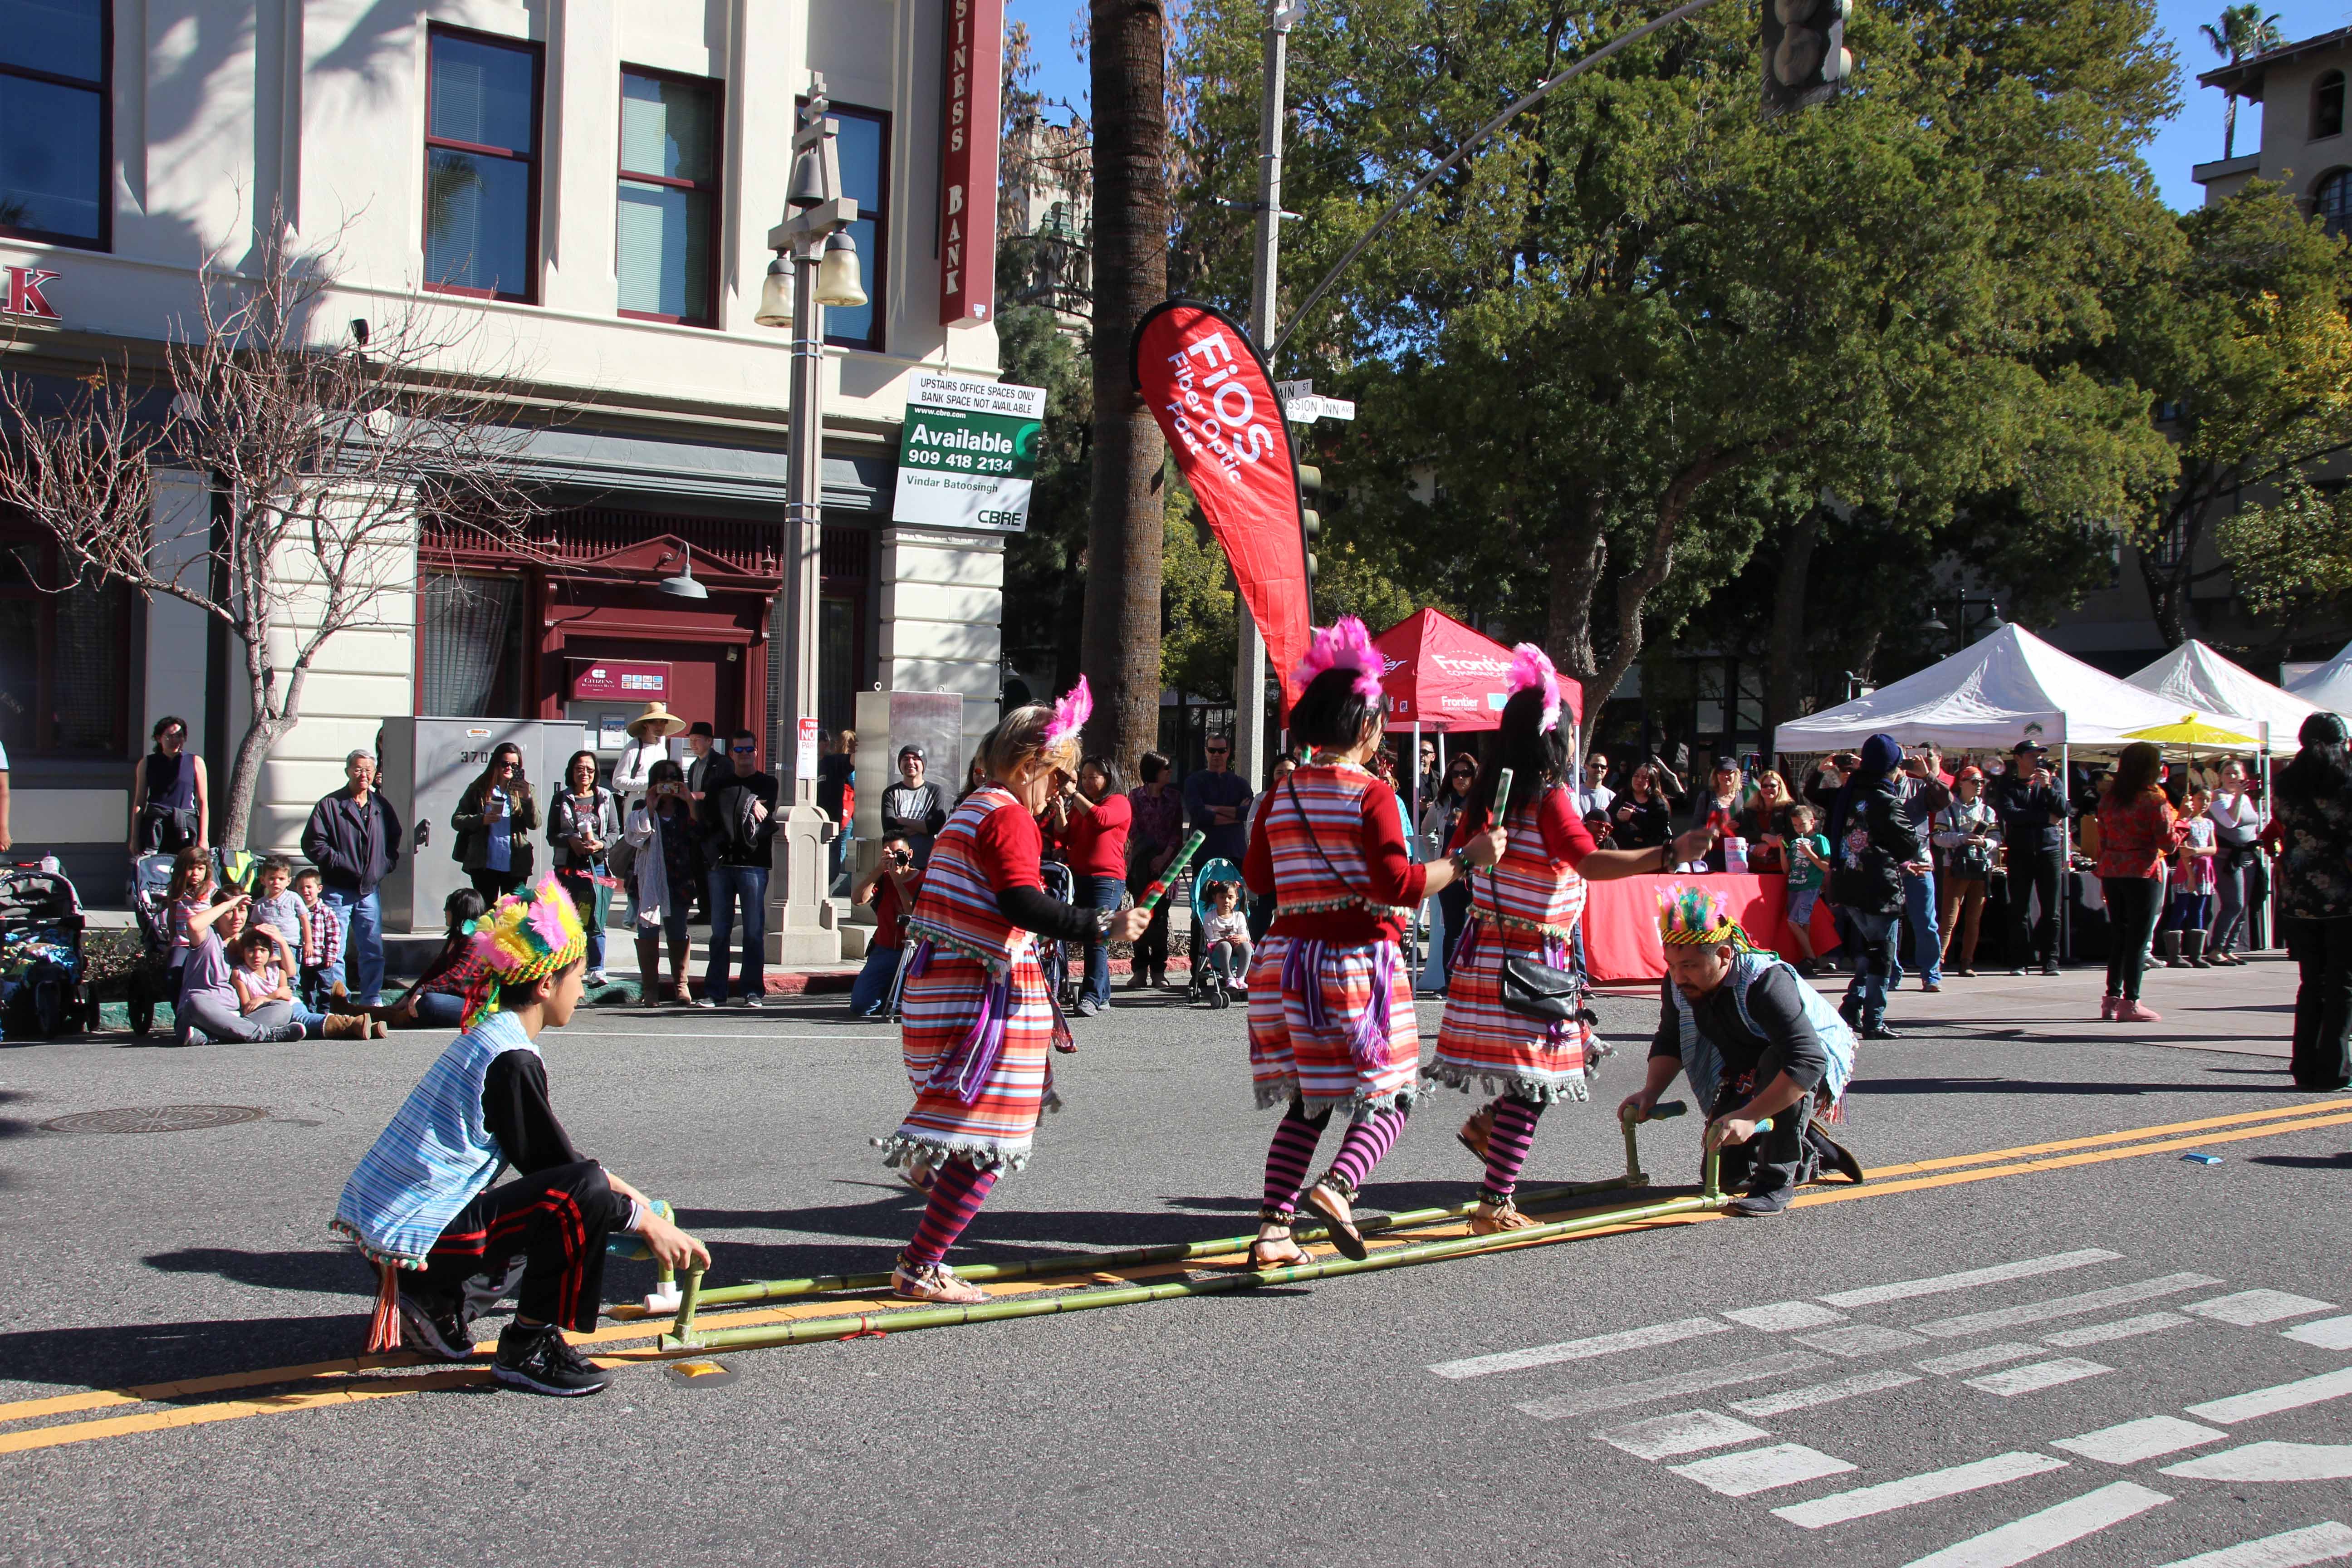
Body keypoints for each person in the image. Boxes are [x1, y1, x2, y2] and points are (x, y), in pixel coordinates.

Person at [331, 877, 711, 1393]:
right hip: (420, 1232)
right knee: (577, 1200)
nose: (584, 990)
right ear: (546, 984)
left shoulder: (493, 1037)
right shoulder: (511, 1059)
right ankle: (528, 1344)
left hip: (405, 1223)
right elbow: (568, 1178)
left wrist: (639, 1202)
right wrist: (645, 1222)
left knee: (573, 1193)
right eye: (579, 976)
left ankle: (437, 1302)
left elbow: (555, 1159)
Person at [1240, 619, 1506, 1271]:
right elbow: (1400, 885)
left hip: (1287, 964)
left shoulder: (1280, 793)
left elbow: (1258, 879)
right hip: (1356, 964)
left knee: (1309, 1100)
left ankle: (1274, 1230)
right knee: (1394, 1091)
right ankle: (1339, 1186)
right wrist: (1466, 861)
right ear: (1364, 725)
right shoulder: (1373, 793)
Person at [875, 681, 1152, 1304]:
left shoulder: (971, 809)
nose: (1062, 793)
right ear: (1031, 766)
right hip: (982, 1004)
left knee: (969, 1125)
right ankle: (921, 1265)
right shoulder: (1008, 817)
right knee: (993, 1141)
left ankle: (931, 1160)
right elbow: (1022, 904)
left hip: (940, 994)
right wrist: (1102, 925)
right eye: (1059, 778)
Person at [1433, 648, 1717, 1232]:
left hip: (1487, 954)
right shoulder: (1549, 798)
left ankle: (1488, 1128)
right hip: (1533, 963)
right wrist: (1666, 854)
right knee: (1539, 1081)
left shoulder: (1486, 795)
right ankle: (1495, 1202)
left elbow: (1459, 860)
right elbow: (1590, 863)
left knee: (1570, 1054)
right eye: (1569, 734)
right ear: (1553, 741)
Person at [1620, 886, 1863, 1215]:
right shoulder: (1677, 982)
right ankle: (1812, 1150)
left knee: (1776, 1061)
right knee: (1726, 1176)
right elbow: (1670, 1038)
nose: (1678, 976)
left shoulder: (1766, 982)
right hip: (1747, 1065)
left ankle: (1777, 1181)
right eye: (1671, 965)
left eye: (1689, 966)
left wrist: (1750, 1116)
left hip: (1804, 1060)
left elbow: (1806, 1060)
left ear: (1723, 955)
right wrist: (1651, 1092)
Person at [2264, 712, 2352, 1088]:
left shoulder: (2286, 784)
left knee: (2311, 982)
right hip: (2343, 895)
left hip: (2299, 894)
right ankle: (2335, 1067)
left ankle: (2304, 1064)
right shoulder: (2345, 782)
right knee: (2342, 984)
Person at [175, 890, 376, 1043]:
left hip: (237, 1016)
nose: (237, 918)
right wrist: (231, 902)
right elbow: (193, 925)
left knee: (283, 1008)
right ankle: (265, 1035)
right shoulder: (209, 938)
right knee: (196, 1001)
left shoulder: (246, 945)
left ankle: (214, 1038)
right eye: (229, 912)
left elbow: (290, 972)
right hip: (200, 1014)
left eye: (242, 910)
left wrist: (280, 940)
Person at [1826, 733, 1924, 1041]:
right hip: (1879, 888)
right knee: (1882, 953)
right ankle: (1874, 1018)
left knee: (1873, 949)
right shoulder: (1885, 799)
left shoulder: (1850, 792)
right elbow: (1908, 845)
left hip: (1849, 882)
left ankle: (1852, 1006)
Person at [301, 749, 402, 1007]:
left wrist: (384, 866)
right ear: (348, 771)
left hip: (369, 891)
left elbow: (394, 840)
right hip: (337, 889)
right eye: (358, 769)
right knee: (335, 949)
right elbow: (313, 844)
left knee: (372, 949)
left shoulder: (381, 806)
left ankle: (371, 999)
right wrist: (340, 862)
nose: (363, 775)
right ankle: (339, 1000)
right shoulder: (330, 805)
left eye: (368, 770)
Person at [2095, 740, 2185, 1024]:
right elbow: (2168, 844)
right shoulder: (2154, 800)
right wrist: (2183, 825)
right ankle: (2131, 1001)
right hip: (2142, 871)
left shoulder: (2110, 799)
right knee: (2138, 938)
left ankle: (2111, 998)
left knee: (2120, 936)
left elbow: (2103, 840)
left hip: (2113, 870)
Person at [699, 729, 779, 1007]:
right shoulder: (719, 783)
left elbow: (765, 814)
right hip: (722, 864)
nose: (744, 755)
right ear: (731, 753)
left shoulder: (768, 783)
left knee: (753, 931)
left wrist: (740, 804)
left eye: (749, 750)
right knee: (720, 931)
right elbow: (711, 815)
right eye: (739, 750)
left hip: (754, 864)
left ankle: (753, 991)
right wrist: (750, 803)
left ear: (756, 752)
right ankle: (715, 992)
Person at [623, 759, 699, 1006]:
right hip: (649, 880)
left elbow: (698, 834)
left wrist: (689, 801)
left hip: (679, 879)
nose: (668, 784)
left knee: (677, 932)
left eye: (673, 778)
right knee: (648, 931)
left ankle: (681, 985)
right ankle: (651, 990)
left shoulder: (685, 808)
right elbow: (637, 837)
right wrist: (650, 806)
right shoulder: (642, 806)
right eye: (663, 779)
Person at [1061, 755, 1132, 1016]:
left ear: (1108, 778)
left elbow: (1100, 819)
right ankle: (1102, 995)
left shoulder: (1119, 802)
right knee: (1088, 935)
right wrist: (1060, 810)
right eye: (1085, 777)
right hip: (1079, 877)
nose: (1088, 782)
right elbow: (1065, 835)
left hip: (1107, 881)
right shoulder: (1079, 806)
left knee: (1097, 935)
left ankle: (1091, 996)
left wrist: (1074, 795)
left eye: (1094, 777)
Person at [1990, 741, 2067, 975]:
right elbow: (2011, 814)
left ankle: (2050, 960)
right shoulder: (2008, 785)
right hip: (2020, 852)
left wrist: (2048, 788)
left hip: (2049, 851)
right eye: (2032, 755)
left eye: (2039, 755)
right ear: (2019, 758)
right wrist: (2045, 818)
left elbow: (2063, 811)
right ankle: (2019, 961)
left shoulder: (2053, 782)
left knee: (2051, 909)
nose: (2037, 759)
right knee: (2019, 908)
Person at [547, 750, 620, 987]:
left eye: (590, 769)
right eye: (580, 769)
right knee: (568, 920)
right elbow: (552, 835)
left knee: (596, 920)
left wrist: (601, 844)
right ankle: (569, 968)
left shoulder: (605, 797)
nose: (585, 774)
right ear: (572, 771)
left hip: (597, 866)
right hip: (568, 866)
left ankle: (597, 968)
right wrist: (571, 841)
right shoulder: (561, 798)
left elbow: (614, 832)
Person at [376, 889, 490, 1030]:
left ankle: (395, 1018)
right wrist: (409, 996)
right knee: (404, 999)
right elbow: (434, 972)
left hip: (476, 1005)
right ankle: (374, 1015)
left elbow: (457, 976)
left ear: (459, 911)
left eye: (448, 907)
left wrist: (424, 990)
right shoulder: (456, 938)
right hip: (457, 997)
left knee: (428, 1002)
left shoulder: (476, 940)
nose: (444, 911)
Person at [1889, 750, 1952, 993]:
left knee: (1926, 922)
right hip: (1889, 864)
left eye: (1900, 762)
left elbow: (1945, 800)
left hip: (1920, 862)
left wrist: (1928, 775)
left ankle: (1931, 974)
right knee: (1889, 923)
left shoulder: (1919, 787)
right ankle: (1891, 973)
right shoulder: (1878, 789)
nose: (1896, 767)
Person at [1418, 753, 1480, 985]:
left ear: (1474, 776)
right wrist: (1436, 853)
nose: (1460, 778)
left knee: (1477, 928)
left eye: (1466, 773)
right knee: (1453, 929)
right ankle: (1450, 983)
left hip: (1477, 874)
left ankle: (1474, 982)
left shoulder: (1482, 803)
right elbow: (1426, 829)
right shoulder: (1443, 802)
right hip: (1450, 873)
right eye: (1455, 774)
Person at [1932, 767, 2000, 977]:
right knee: (1949, 917)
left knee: (1974, 918)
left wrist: (1984, 842)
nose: (1979, 785)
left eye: (1981, 782)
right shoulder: (1947, 809)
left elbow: (1997, 840)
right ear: (1961, 783)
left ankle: (1967, 962)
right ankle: (1938, 962)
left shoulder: (1988, 811)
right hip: (1954, 867)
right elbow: (1937, 837)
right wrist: (1962, 838)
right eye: (1974, 781)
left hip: (1981, 868)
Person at [450, 744, 537, 902]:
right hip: (484, 863)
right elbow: (457, 820)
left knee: (511, 912)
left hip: (515, 864)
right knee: (486, 911)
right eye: (505, 764)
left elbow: (535, 824)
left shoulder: (526, 790)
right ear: (496, 764)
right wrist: (482, 819)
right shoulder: (479, 789)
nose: (509, 768)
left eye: (515, 765)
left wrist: (526, 799)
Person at [1126, 751, 1183, 990]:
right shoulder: (1135, 797)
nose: (1170, 772)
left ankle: (1159, 969)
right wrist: (1148, 857)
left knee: (1160, 918)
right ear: (1153, 771)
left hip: (1167, 866)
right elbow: (1132, 829)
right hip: (1141, 864)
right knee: (1140, 914)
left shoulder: (1174, 798)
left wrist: (1164, 857)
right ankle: (1139, 969)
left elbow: (1177, 833)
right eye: (1165, 768)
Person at [849, 835, 922, 1018]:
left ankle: (900, 997)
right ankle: (892, 997)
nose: (896, 859)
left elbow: (913, 914)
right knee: (861, 1006)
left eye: (900, 854)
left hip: (916, 950)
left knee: (917, 1005)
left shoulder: (923, 878)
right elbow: (858, 900)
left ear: (910, 854)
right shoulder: (882, 878)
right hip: (885, 949)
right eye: (891, 855)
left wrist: (898, 881)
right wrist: (879, 870)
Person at [2208, 759, 2263, 965]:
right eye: (2228, 773)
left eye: (2236, 773)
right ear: (2221, 777)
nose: (2232, 777)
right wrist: (2238, 797)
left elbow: (2252, 823)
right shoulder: (2218, 797)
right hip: (2227, 858)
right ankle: (2216, 949)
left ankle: (2229, 948)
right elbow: (2230, 822)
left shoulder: (2246, 798)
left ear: (2243, 777)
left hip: (2247, 855)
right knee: (2234, 903)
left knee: (2244, 905)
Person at [129, 715, 208, 856]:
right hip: (155, 826)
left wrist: (204, 838)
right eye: (170, 736)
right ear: (159, 738)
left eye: (180, 736)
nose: (175, 741)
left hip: (185, 826)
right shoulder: (147, 763)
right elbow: (140, 802)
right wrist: (135, 838)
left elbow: (202, 802)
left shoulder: (196, 762)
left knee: (185, 866)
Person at [1184, 734, 1254, 867]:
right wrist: (1236, 816)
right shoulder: (1193, 782)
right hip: (1205, 854)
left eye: (1222, 751)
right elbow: (1199, 815)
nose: (1217, 755)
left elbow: (1247, 813)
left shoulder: (1240, 783)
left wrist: (1214, 809)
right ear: (1206, 751)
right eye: (1212, 750)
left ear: (1228, 752)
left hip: (1235, 854)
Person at [2168, 786, 2219, 970]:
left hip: (2204, 869)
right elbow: (2184, 851)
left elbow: (2213, 848)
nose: (2204, 803)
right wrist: (2191, 876)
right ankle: (2175, 955)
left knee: (2198, 910)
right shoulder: (2185, 822)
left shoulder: (2209, 823)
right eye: (2200, 799)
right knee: (2181, 910)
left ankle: (2196, 955)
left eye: (2207, 800)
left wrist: (2197, 850)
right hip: (2188, 869)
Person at [1782, 804, 1831, 976]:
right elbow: (1787, 869)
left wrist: (1809, 852)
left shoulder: (1820, 840)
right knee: (1803, 923)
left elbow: (1825, 866)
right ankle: (1808, 957)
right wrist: (1782, 848)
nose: (1799, 829)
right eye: (1795, 825)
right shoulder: (1794, 843)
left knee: (1793, 922)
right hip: (1794, 885)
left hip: (1810, 887)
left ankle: (1811, 958)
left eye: (1802, 824)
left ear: (1812, 822)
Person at [881, 745, 950, 867]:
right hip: (898, 865)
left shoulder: (935, 790)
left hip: (927, 862)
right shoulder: (891, 793)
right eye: (906, 759)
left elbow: (936, 826)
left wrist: (902, 821)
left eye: (916, 758)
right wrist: (924, 828)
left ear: (923, 764)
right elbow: (889, 829)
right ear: (900, 765)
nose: (911, 762)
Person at [611, 701, 683, 815]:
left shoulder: (661, 750)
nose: (659, 726)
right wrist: (649, 785)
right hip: (636, 805)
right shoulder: (633, 748)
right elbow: (618, 781)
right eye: (654, 722)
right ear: (645, 724)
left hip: (659, 805)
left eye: (663, 722)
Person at [292, 865, 346, 1011]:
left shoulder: (326, 912)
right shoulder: (295, 912)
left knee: (326, 988)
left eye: (309, 887)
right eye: (301, 888)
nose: (305, 891)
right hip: (303, 959)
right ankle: (310, 1013)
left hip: (322, 959)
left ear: (319, 889)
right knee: (308, 989)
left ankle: (326, 1013)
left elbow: (334, 935)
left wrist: (331, 955)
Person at [248, 855, 311, 975]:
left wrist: (308, 943)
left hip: (292, 944)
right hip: (269, 946)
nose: (277, 882)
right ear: (263, 880)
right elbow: (256, 926)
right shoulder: (260, 904)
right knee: (273, 974)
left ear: (289, 881)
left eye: (281, 879)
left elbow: (304, 920)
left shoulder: (294, 898)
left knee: (292, 975)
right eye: (272, 878)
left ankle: (292, 988)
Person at [1690, 760, 1749, 872]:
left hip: (1739, 854)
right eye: (1722, 773)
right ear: (1716, 775)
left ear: (1736, 774)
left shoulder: (1744, 797)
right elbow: (1696, 827)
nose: (1726, 776)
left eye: (1729, 773)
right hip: (1711, 854)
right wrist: (1718, 829)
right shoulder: (1706, 797)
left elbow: (1751, 827)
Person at [1197, 879, 1254, 991]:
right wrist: (1224, 940)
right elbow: (1210, 940)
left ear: (1236, 901)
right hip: (1218, 950)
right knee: (1226, 945)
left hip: (1237, 948)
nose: (1226, 901)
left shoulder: (1239, 916)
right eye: (1222, 897)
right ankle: (1229, 978)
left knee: (1247, 946)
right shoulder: (1210, 917)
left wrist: (1241, 938)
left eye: (1230, 898)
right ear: (1215, 899)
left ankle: (1241, 978)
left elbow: (1245, 936)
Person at [1607, 761, 1676, 850]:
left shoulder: (1658, 803)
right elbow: (1608, 817)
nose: (1639, 780)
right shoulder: (1623, 795)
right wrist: (1618, 817)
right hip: (1620, 849)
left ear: (1651, 781)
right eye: (1636, 776)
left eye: (1644, 778)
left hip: (1646, 851)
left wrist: (1633, 817)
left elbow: (1659, 829)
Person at [819, 727, 856, 892]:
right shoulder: (798, 766)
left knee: (833, 867)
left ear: (826, 744)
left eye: (817, 741)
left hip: (835, 824)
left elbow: (852, 763)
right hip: (811, 826)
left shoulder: (834, 762)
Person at [1740, 770, 1794, 873]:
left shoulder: (1789, 808)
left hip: (1781, 866)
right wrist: (1763, 836)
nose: (1768, 789)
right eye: (1764, 786)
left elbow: (1794, 835)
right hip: (1754, 865)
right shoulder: (1750, 809)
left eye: (1773, 786)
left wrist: (1770, 845)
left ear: (1780, 787)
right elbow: (1743, 833)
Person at [1569, 752, 1615, 837]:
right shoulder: (1574, 794)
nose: (1599, 769)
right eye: (1595, 766)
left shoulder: (1612, 797)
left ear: (1607, 770)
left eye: (1603, 767)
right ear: (1586, 767)